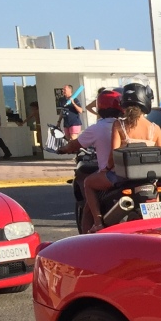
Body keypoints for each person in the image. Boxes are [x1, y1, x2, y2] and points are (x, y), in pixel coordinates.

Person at [81, 85, 161, 233]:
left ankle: (98, 223)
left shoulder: (120, 125)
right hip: (149, 181)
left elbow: (113, 154)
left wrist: (106, 169)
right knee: (157, 222)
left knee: (88, 183)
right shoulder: (155, 129)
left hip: (121, 177)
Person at [58, 90, 122, 232]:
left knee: (88, 185)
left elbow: (74, 145)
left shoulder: (98, 128)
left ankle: (96, 224)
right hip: (132, 174)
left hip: (111, 175)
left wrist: (61, 149)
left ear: (100, 108)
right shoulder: (126, 125)